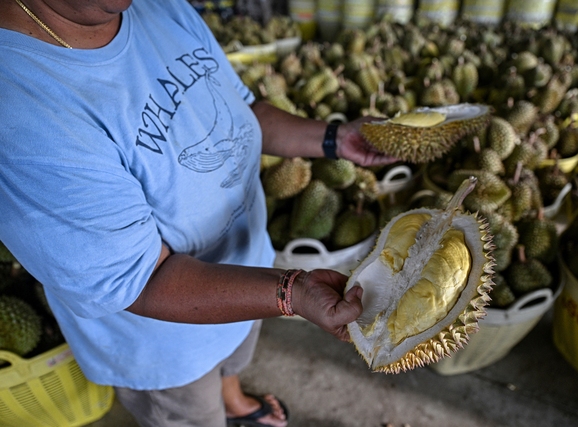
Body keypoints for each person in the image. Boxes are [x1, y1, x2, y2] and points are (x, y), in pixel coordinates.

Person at [0, 1, 395, 426]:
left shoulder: (158, 7)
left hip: (250, 271)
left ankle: (233, 396)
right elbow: (143, 280)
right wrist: (291, 293)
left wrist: (336, 139)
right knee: (191, 413)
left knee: (233, 357)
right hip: (165, 344)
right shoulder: (21, 110)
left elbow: (244, 112)